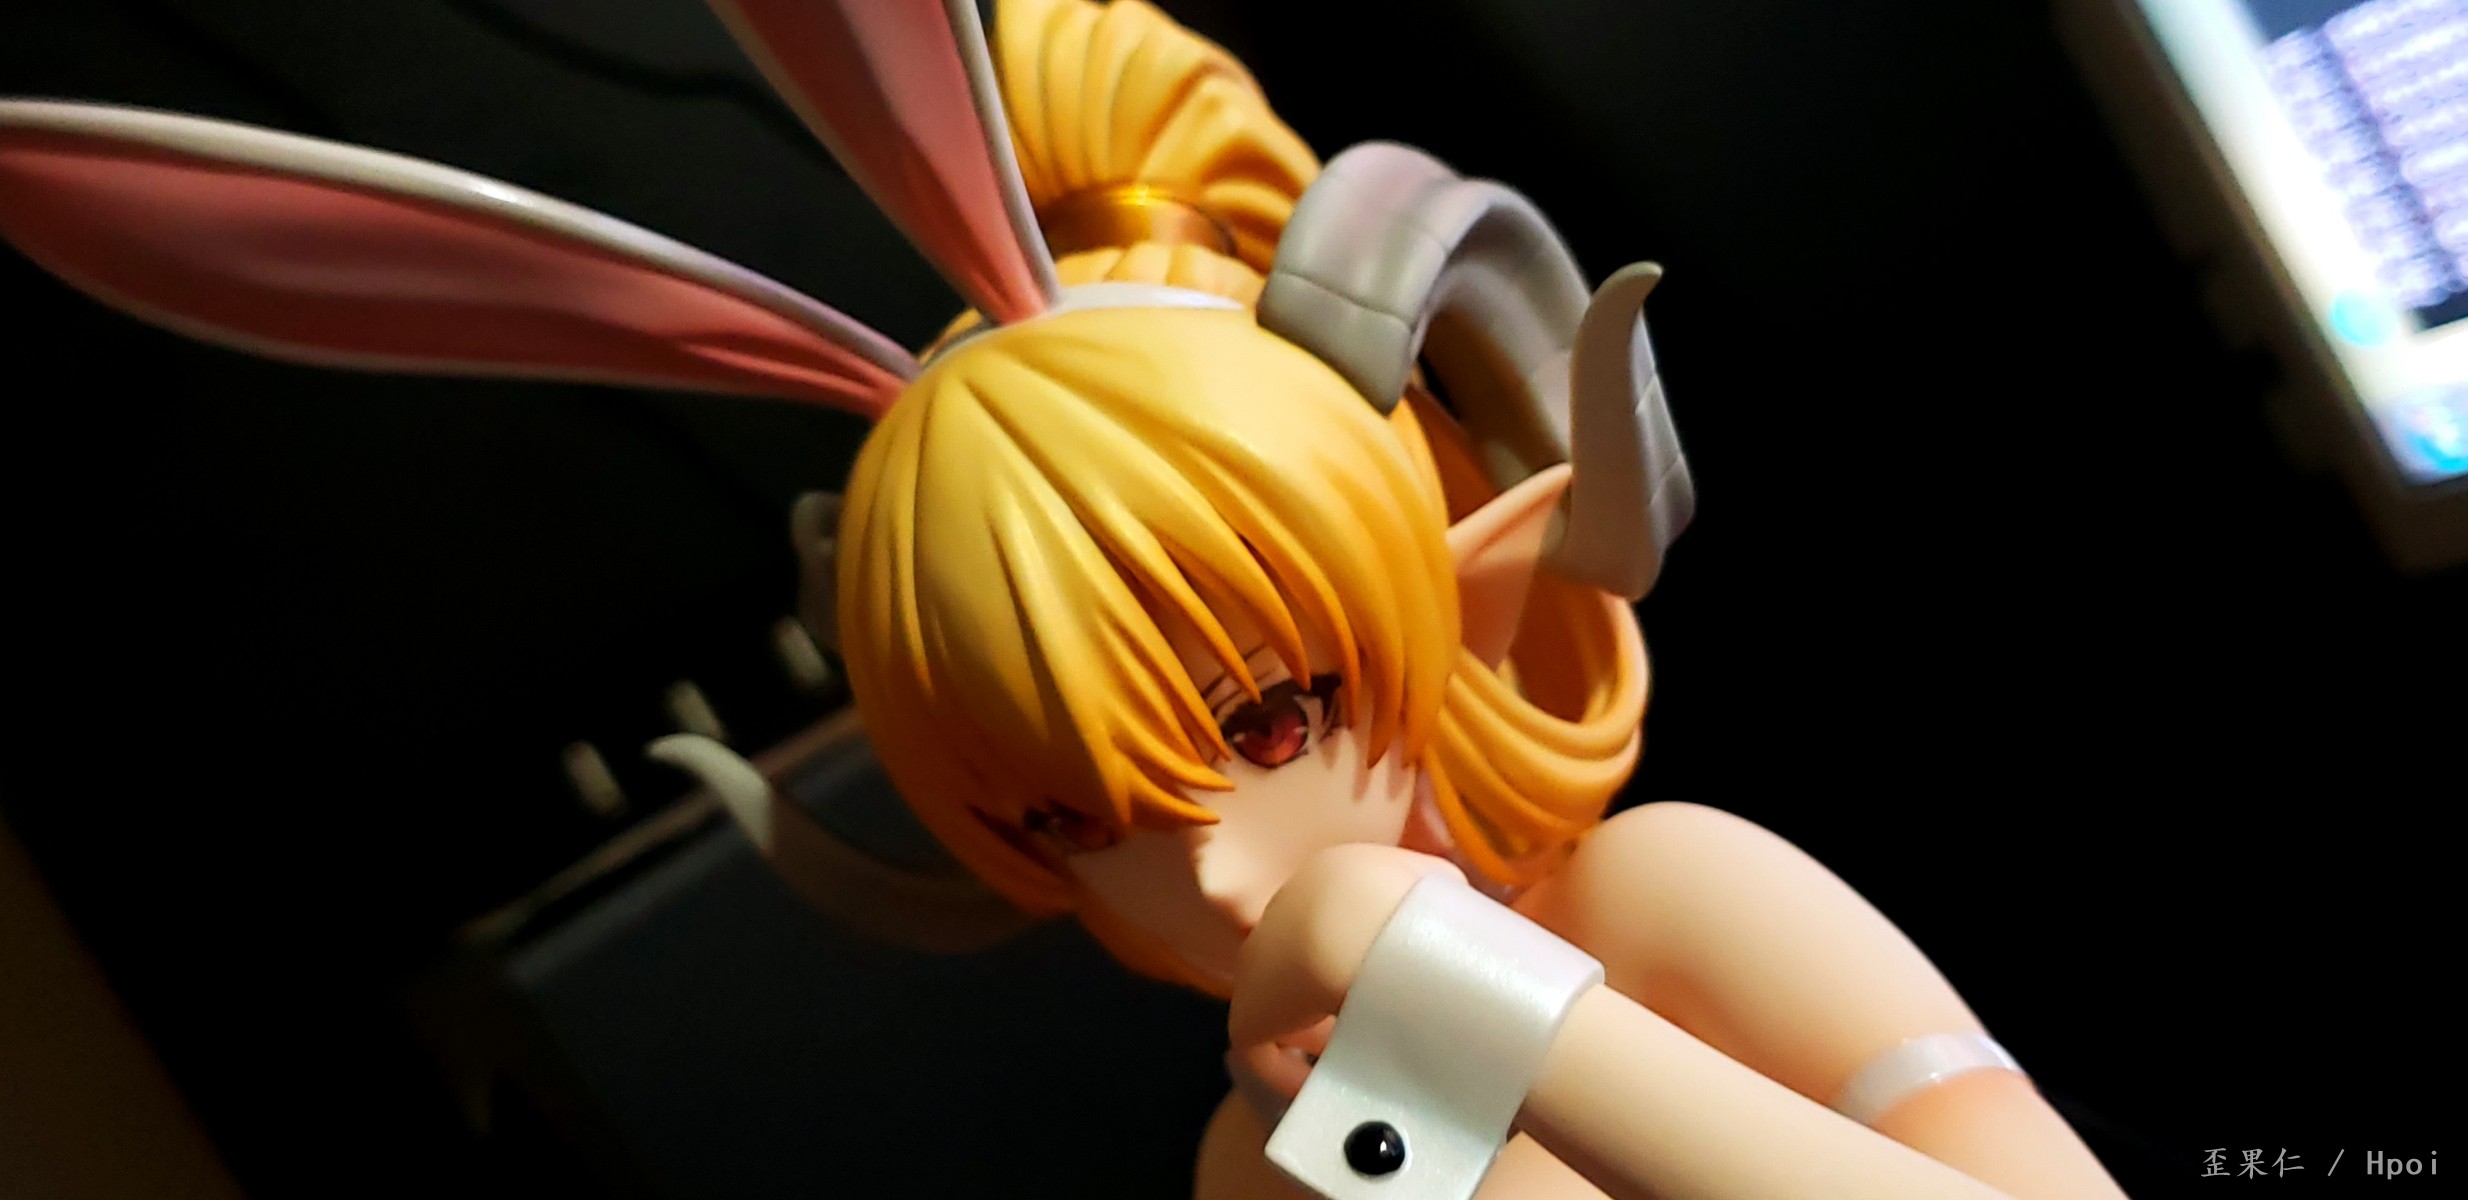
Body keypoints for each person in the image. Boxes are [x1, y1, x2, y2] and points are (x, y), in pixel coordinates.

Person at [0, 1, 2128, 1196]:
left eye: (1267, 718)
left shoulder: (1665, 899)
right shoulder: (1262, 1154)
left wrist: (1475, 1003)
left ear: (1444, 588)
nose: (1206, 876)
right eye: (1065, 818)